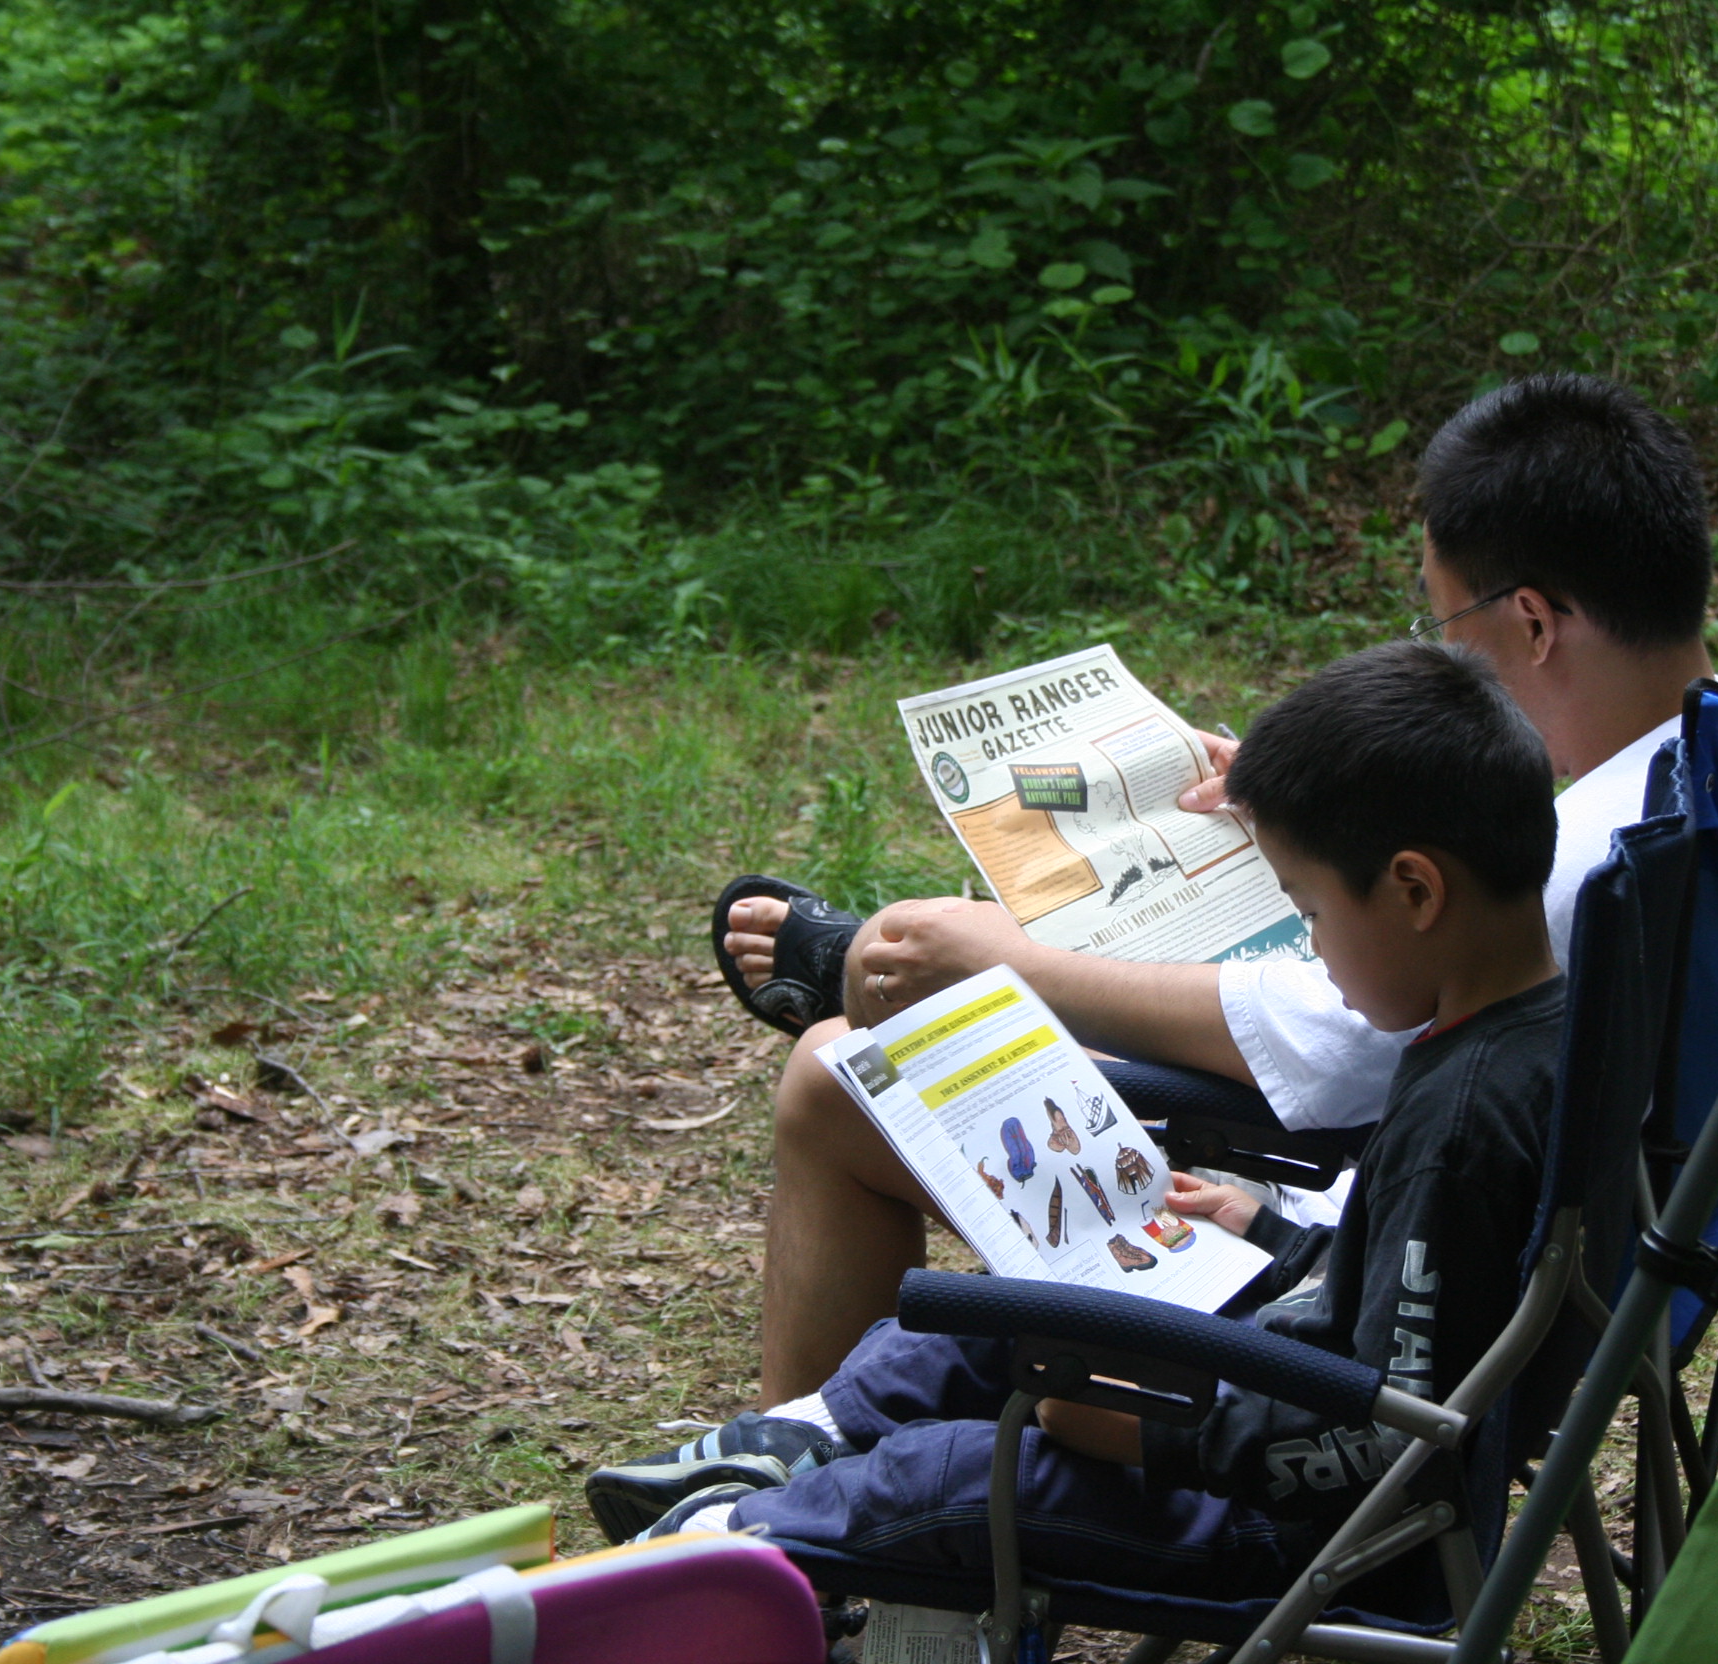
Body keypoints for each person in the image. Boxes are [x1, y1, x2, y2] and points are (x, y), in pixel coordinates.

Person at [732, 372, 1717, 1399]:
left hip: (1330, 1251)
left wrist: (1018, 966)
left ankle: (791, 1508)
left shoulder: (1584, 868)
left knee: (836, 1072)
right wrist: (1322, 811)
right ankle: (908, 966)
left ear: (1533, 622)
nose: (1440, 647)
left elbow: (1336, 1047)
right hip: (1550, 1228)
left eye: (1443, 624)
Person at [590, 641, 1569, 1610]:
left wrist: (1153, 1433)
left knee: (957, 1473)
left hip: (1311, 1524)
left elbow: (1398, 1431)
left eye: (1310, 912)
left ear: (1413, 890)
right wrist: (1268, 1235)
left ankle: (713, 1553)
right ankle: (797, 1436)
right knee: (1031, 1310)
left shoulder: (1463, 1117)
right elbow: (1421, 1297)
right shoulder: (1533, 1033)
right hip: (1284, 1410)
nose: (1311, 942)